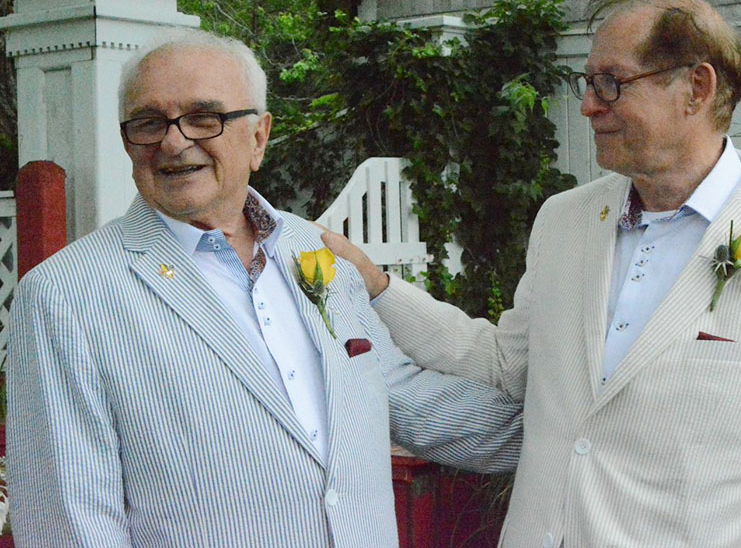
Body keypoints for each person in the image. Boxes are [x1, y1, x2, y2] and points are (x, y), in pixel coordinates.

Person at [323, 0, 741, 547]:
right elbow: (503, 363)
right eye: (588, 83)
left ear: (696, 87)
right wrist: (377, 284)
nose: (588, 105)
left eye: (610, 84)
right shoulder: (565, 222)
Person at [7, 29, 524, 547]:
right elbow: (68, 523)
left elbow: (399, 394)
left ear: (259, 137)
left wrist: (574, 429)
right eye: (149, 123)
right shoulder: (66, 295)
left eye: (203, 117)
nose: (173, 141)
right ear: (128, 142)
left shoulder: (313, 251)